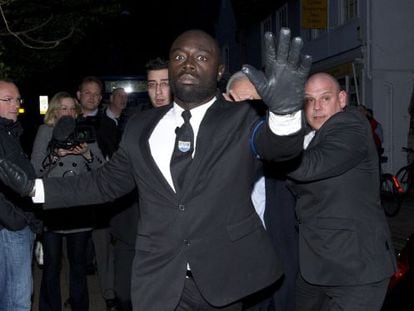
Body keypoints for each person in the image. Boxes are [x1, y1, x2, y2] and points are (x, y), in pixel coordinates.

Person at [0, 28, 311, 310]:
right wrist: (34, 188)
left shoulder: (241, 118)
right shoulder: (140, 126)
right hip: (159, 278)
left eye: (201, 57)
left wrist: (284, 114)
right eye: (179, 56)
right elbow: (105, 182)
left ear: (218, 71)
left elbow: (278, 147)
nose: (188, 63)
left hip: (222, 276)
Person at [284, 72, 397, 311]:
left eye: (325, 98)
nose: (316, 107)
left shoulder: (351, 125)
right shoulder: (308, 137)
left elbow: (309, 167)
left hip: (356, 269)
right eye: (309, 100)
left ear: (342, 99)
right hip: (315, 266)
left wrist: (275, 130)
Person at [225, 71, 298, 311]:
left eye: (254, 103)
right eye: (239, 101)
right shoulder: (209, 153)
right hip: (233, 272)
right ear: (226, 100)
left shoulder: (280, 150)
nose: (247, 110)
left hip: (280, 269)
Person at [31, 91, 104, 311]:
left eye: (73, 108)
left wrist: (87, 154)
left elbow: (102, 169)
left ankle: (80, 306)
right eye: (64, 108)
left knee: (78, 265)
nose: (69, 112)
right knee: (52, 266)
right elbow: (35, 169)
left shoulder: (84, 131)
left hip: (79, 206)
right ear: (54, 110)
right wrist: (55, 156)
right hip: (54, 206)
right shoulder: (46, 131)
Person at [76, 76, 120, 310]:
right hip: (75, 195)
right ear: (78, 95)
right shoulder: (67, 120)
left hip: (102, 194)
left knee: (103, 247)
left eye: (96, 94)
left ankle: (109, 295)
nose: (92, 97)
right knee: (76, 251)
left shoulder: (109, 124)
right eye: (87, 93)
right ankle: (78, 296)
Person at [0, 79, 41, 310]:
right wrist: (17, 222)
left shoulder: (10, 131)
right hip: (10, 230)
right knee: (18, 302)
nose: (15, 105)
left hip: (16, 226)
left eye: (17, 99)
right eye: (8, 100)